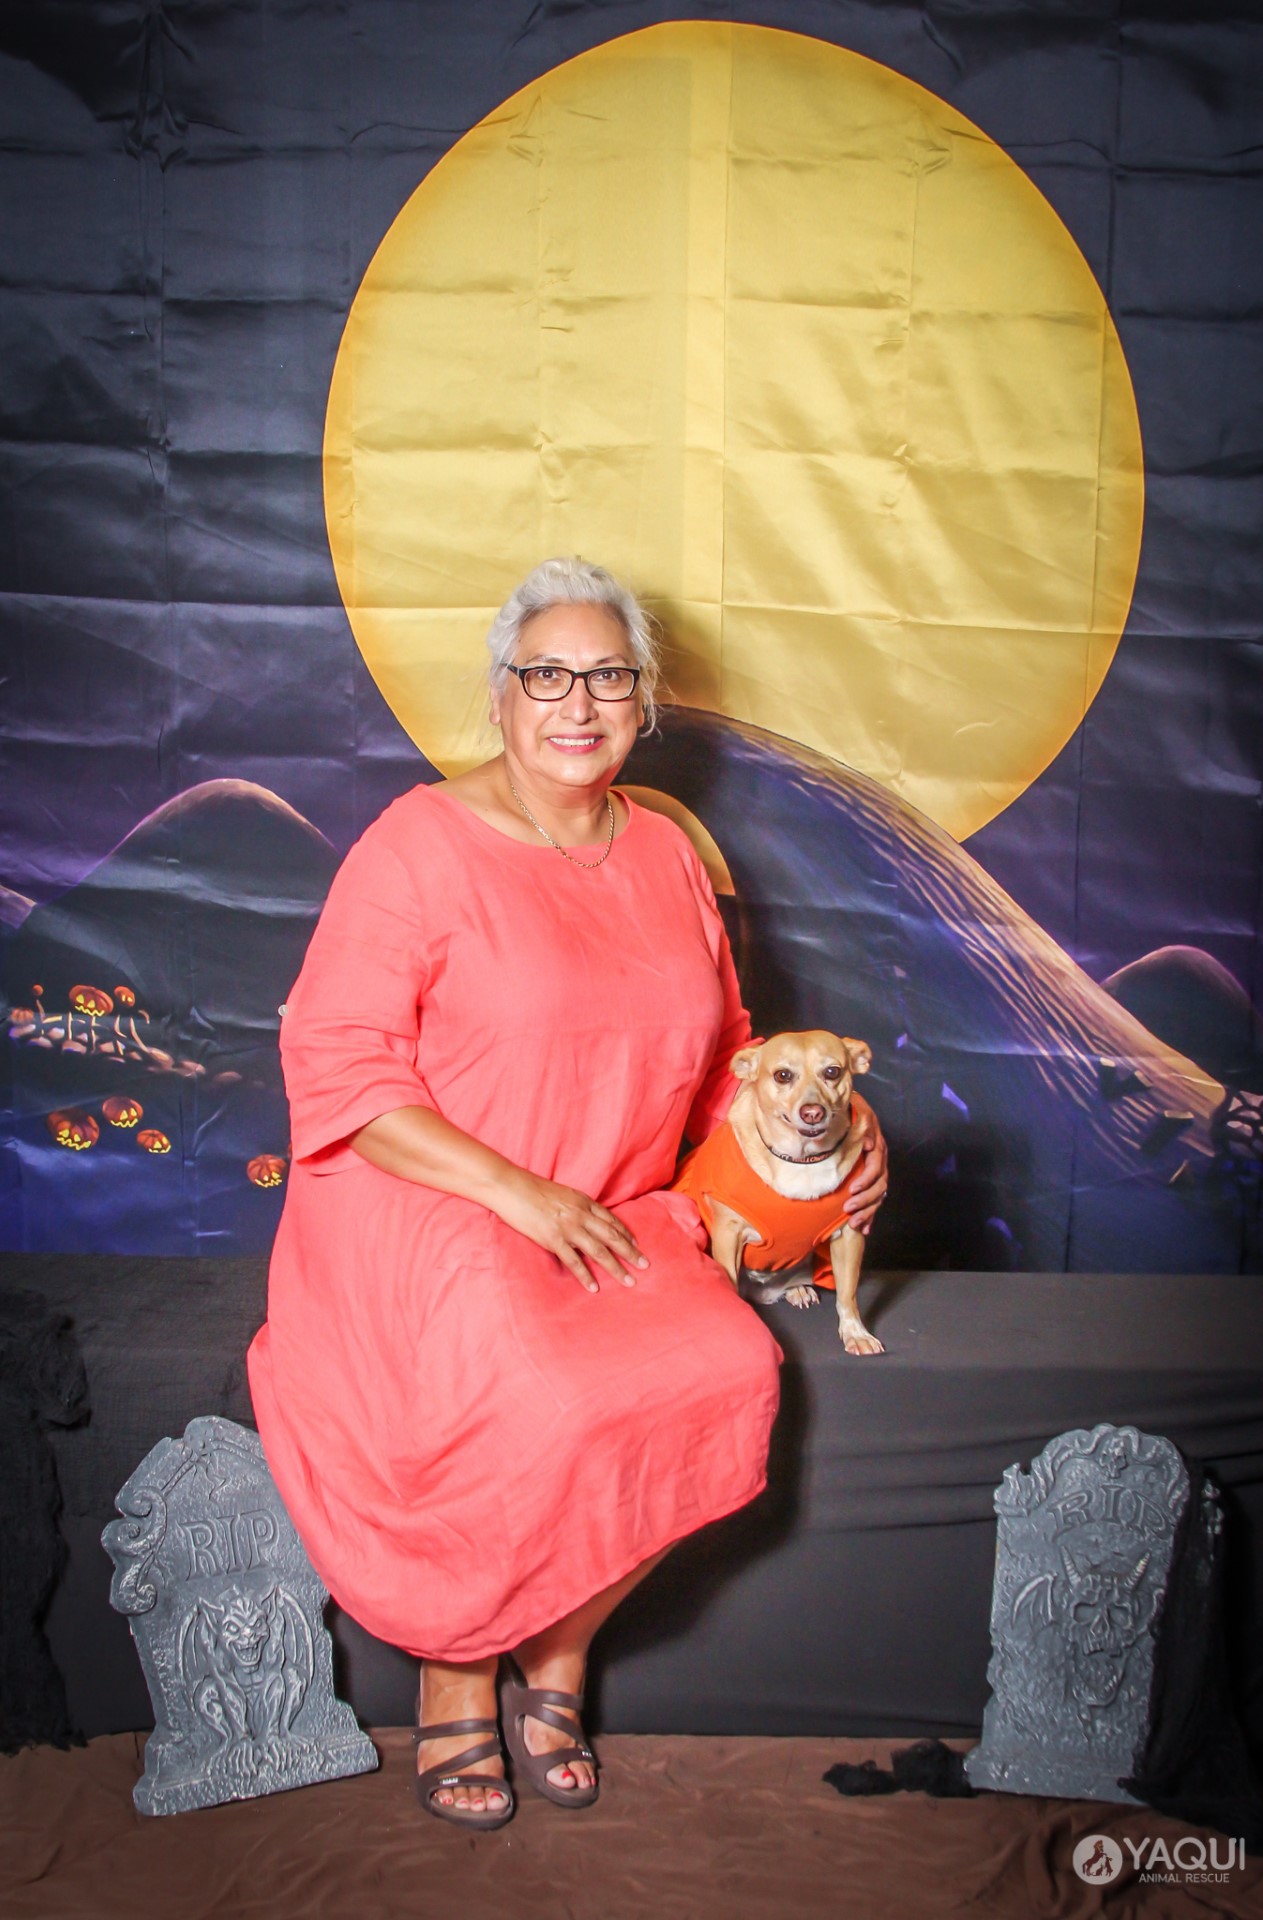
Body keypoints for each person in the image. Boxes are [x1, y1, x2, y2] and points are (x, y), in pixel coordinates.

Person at [247, 557, 887, 1828]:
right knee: (533, 1388)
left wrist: (834, 1144)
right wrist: (520, 1196)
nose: (576, 703)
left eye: (607, 676)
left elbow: (728, 1055)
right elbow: (340, 1066)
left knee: (728, 1372)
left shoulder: (664, 851)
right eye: (546, 674)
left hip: (613, 1205)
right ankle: (456, 1670)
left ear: (642, 702)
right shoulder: (415, 846)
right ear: (499, 694)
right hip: (431, 1200)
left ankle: (557, 1649)